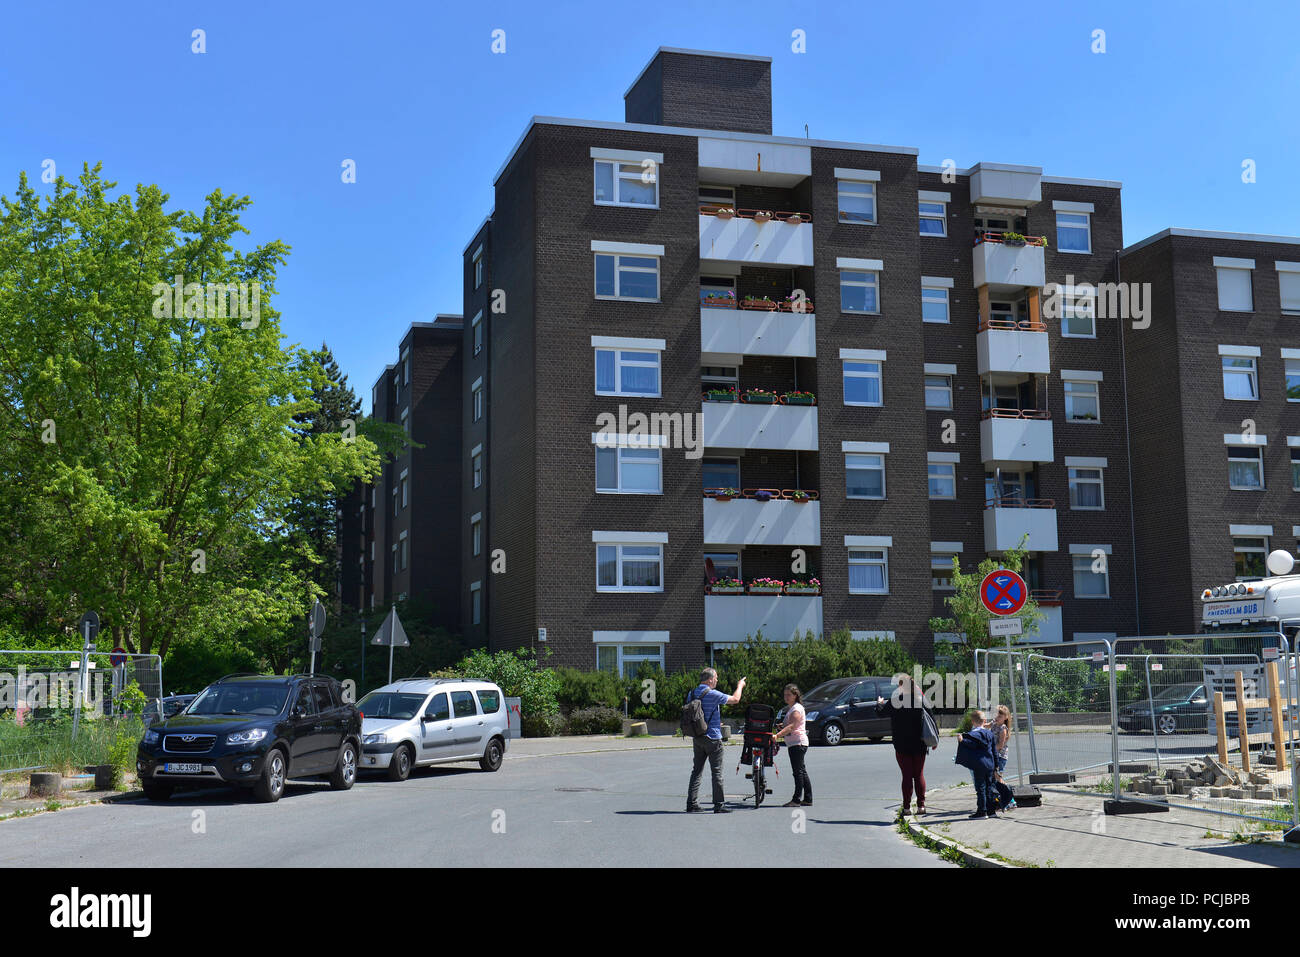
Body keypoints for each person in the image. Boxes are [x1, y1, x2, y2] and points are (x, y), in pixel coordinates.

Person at [876, 673, 937, 817]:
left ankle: (907, 808)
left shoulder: (895, 700)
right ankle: (921, 806)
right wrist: (935, 740)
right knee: (919, 774)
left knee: (907, 776)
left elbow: (880, 713)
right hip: (920, 743)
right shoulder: (920, 699)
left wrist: (879, 703)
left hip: (902, 744)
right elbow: (931, 718)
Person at [686, 668, 745, 813]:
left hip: (698, 737)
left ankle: (691, 803)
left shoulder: (691, 693)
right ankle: (719, 805)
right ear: (710, 679)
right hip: (712, 737)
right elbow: (735, 699)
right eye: (716, 678)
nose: (717, 680)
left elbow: (696, 715)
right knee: (717, 772)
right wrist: (740, 686)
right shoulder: (712, 694)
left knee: (696, 771)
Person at [772, 683, 811, 807]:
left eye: (789, 695)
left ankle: (796, 799)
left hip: (797, 743)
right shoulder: (792, 708)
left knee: (798, 772)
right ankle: (808, 798)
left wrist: (777, 735)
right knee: (802, 771)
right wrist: (781, 727)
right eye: (785, 695)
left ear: (795, 695)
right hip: (795, 743)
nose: (786, 697)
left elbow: (792, 726)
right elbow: (790, 725)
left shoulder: (796, 708)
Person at [955, 710, 999, 819]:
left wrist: (961, 740)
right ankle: (991, 811)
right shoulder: (990, 733)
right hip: (990, 764)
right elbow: (994, 751)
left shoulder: (973, 734)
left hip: (979, 765)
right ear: (984, 721)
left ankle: (982, 812)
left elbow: (972, 745)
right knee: (990, 787)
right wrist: (996, 765)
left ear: (973, 722)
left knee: (980, 788)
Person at [991, 704, 1016, 812]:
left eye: (1000, 716)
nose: (997, 718)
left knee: (998, 777)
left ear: (1005, 717)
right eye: (996, 715)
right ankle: (1001, 800)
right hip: (994, 755)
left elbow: (1000, 745)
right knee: (995, 777)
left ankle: (1010, 800)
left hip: (1000, 756)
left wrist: (989, 750)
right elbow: (984, 725)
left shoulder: (1003, 728)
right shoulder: (994, 724)